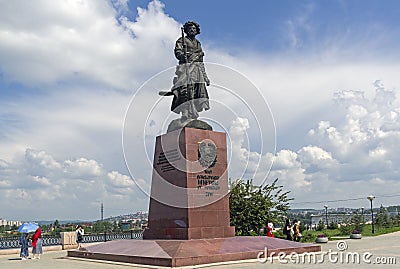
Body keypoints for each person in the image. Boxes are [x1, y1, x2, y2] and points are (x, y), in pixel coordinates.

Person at [169, 21, 210, 121]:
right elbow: (178, 52)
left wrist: (205, 77)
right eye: (190, 28)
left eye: (194, 29)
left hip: (197, 70)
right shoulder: (182, 40)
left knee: (196, 91)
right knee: (185, 90)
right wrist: (183, 55)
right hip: (186, 68)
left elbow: (201, 61)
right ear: (186, 30)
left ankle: (193, 111)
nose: (192, 30)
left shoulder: (198, 44)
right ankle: (185, 112)